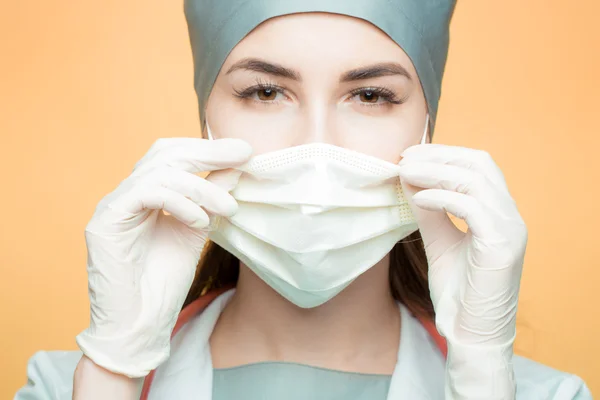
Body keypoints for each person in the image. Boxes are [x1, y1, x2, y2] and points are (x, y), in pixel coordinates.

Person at [15, 1, 593, 399]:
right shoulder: (61, 388)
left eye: (369, 94)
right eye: (266, 92)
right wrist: (114, 367)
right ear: (206, 122)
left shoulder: (548, 396)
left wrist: (484, 374)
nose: (318, 144)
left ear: (426, 128)